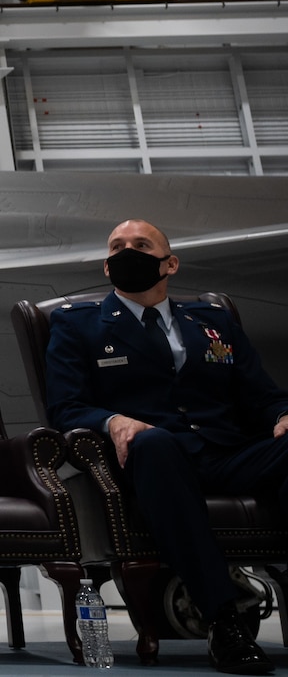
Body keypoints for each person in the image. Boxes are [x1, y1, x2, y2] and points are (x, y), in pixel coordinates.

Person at [46, 219, 288, 675]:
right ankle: (223, 620)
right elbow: (66, 407)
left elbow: (263, 395)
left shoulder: (212, 323)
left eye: (141, 245)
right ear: (106, 265)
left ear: (170, 263)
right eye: (117, 247)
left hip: (226, 452)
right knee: (155, 443)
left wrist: (282, 415)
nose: (127, 252)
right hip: (153, 460)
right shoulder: (78, 326)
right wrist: (113, 420)